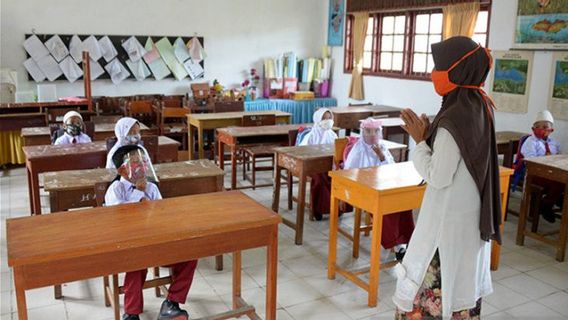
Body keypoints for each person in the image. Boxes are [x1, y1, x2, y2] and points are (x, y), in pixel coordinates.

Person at [393, 36, 500, 319]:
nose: (433, 75)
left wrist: (418, 142)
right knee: (463, 288)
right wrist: (431, 138)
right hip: (469, 220)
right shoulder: (479, 105)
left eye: (439, 68)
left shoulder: (454, 119)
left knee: (436, 296)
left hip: (447, 229)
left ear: (456, 72)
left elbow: (438, 176)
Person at [105, 144, 197, 320]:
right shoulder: (116, 189)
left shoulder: (152, 188)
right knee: (136, 264)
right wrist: (138, 194)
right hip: (130, 245)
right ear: (123, 170)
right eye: (135, 162)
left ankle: (171, 303)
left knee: (191, 253)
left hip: (156, 241)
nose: (142, 166)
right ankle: (131, 314)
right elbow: (118, 219)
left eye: (143, 161)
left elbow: (162, 215)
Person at [344, 118, 414, 261]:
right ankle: (395, 243)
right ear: (363, 133)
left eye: (376, 131)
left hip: (383, 185)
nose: (372, 135)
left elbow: (391, 167)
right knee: (386, 207)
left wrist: (381, 156)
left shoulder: (382, 147)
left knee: (403, 204)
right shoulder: (358, 149)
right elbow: (348, 173)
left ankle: (405, 240)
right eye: (368, 131)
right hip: (366, 190)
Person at [520, 110, 563, 222]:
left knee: (563, 180)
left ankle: (554, 200)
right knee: (558, 182)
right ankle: (547, 205)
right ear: (533, 129)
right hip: (535, 174)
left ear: (551, 130)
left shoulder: (554, 143)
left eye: (545, 127)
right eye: (538, 126)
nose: (541, 129)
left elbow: (558, 157)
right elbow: (530, 161)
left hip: (550, 173)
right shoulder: (531, 142)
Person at [297, 108, 338, 220]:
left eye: (329, 118)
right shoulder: (311, 136)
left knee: (339, 179)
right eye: (324, 118)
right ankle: (318, 209)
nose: (328, 121)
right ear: (317, 120)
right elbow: (302, 154)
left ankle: (337, 208)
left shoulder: (333, 135)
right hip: (313, 167)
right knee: (320, 180)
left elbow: (337, 152)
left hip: (329, 166)